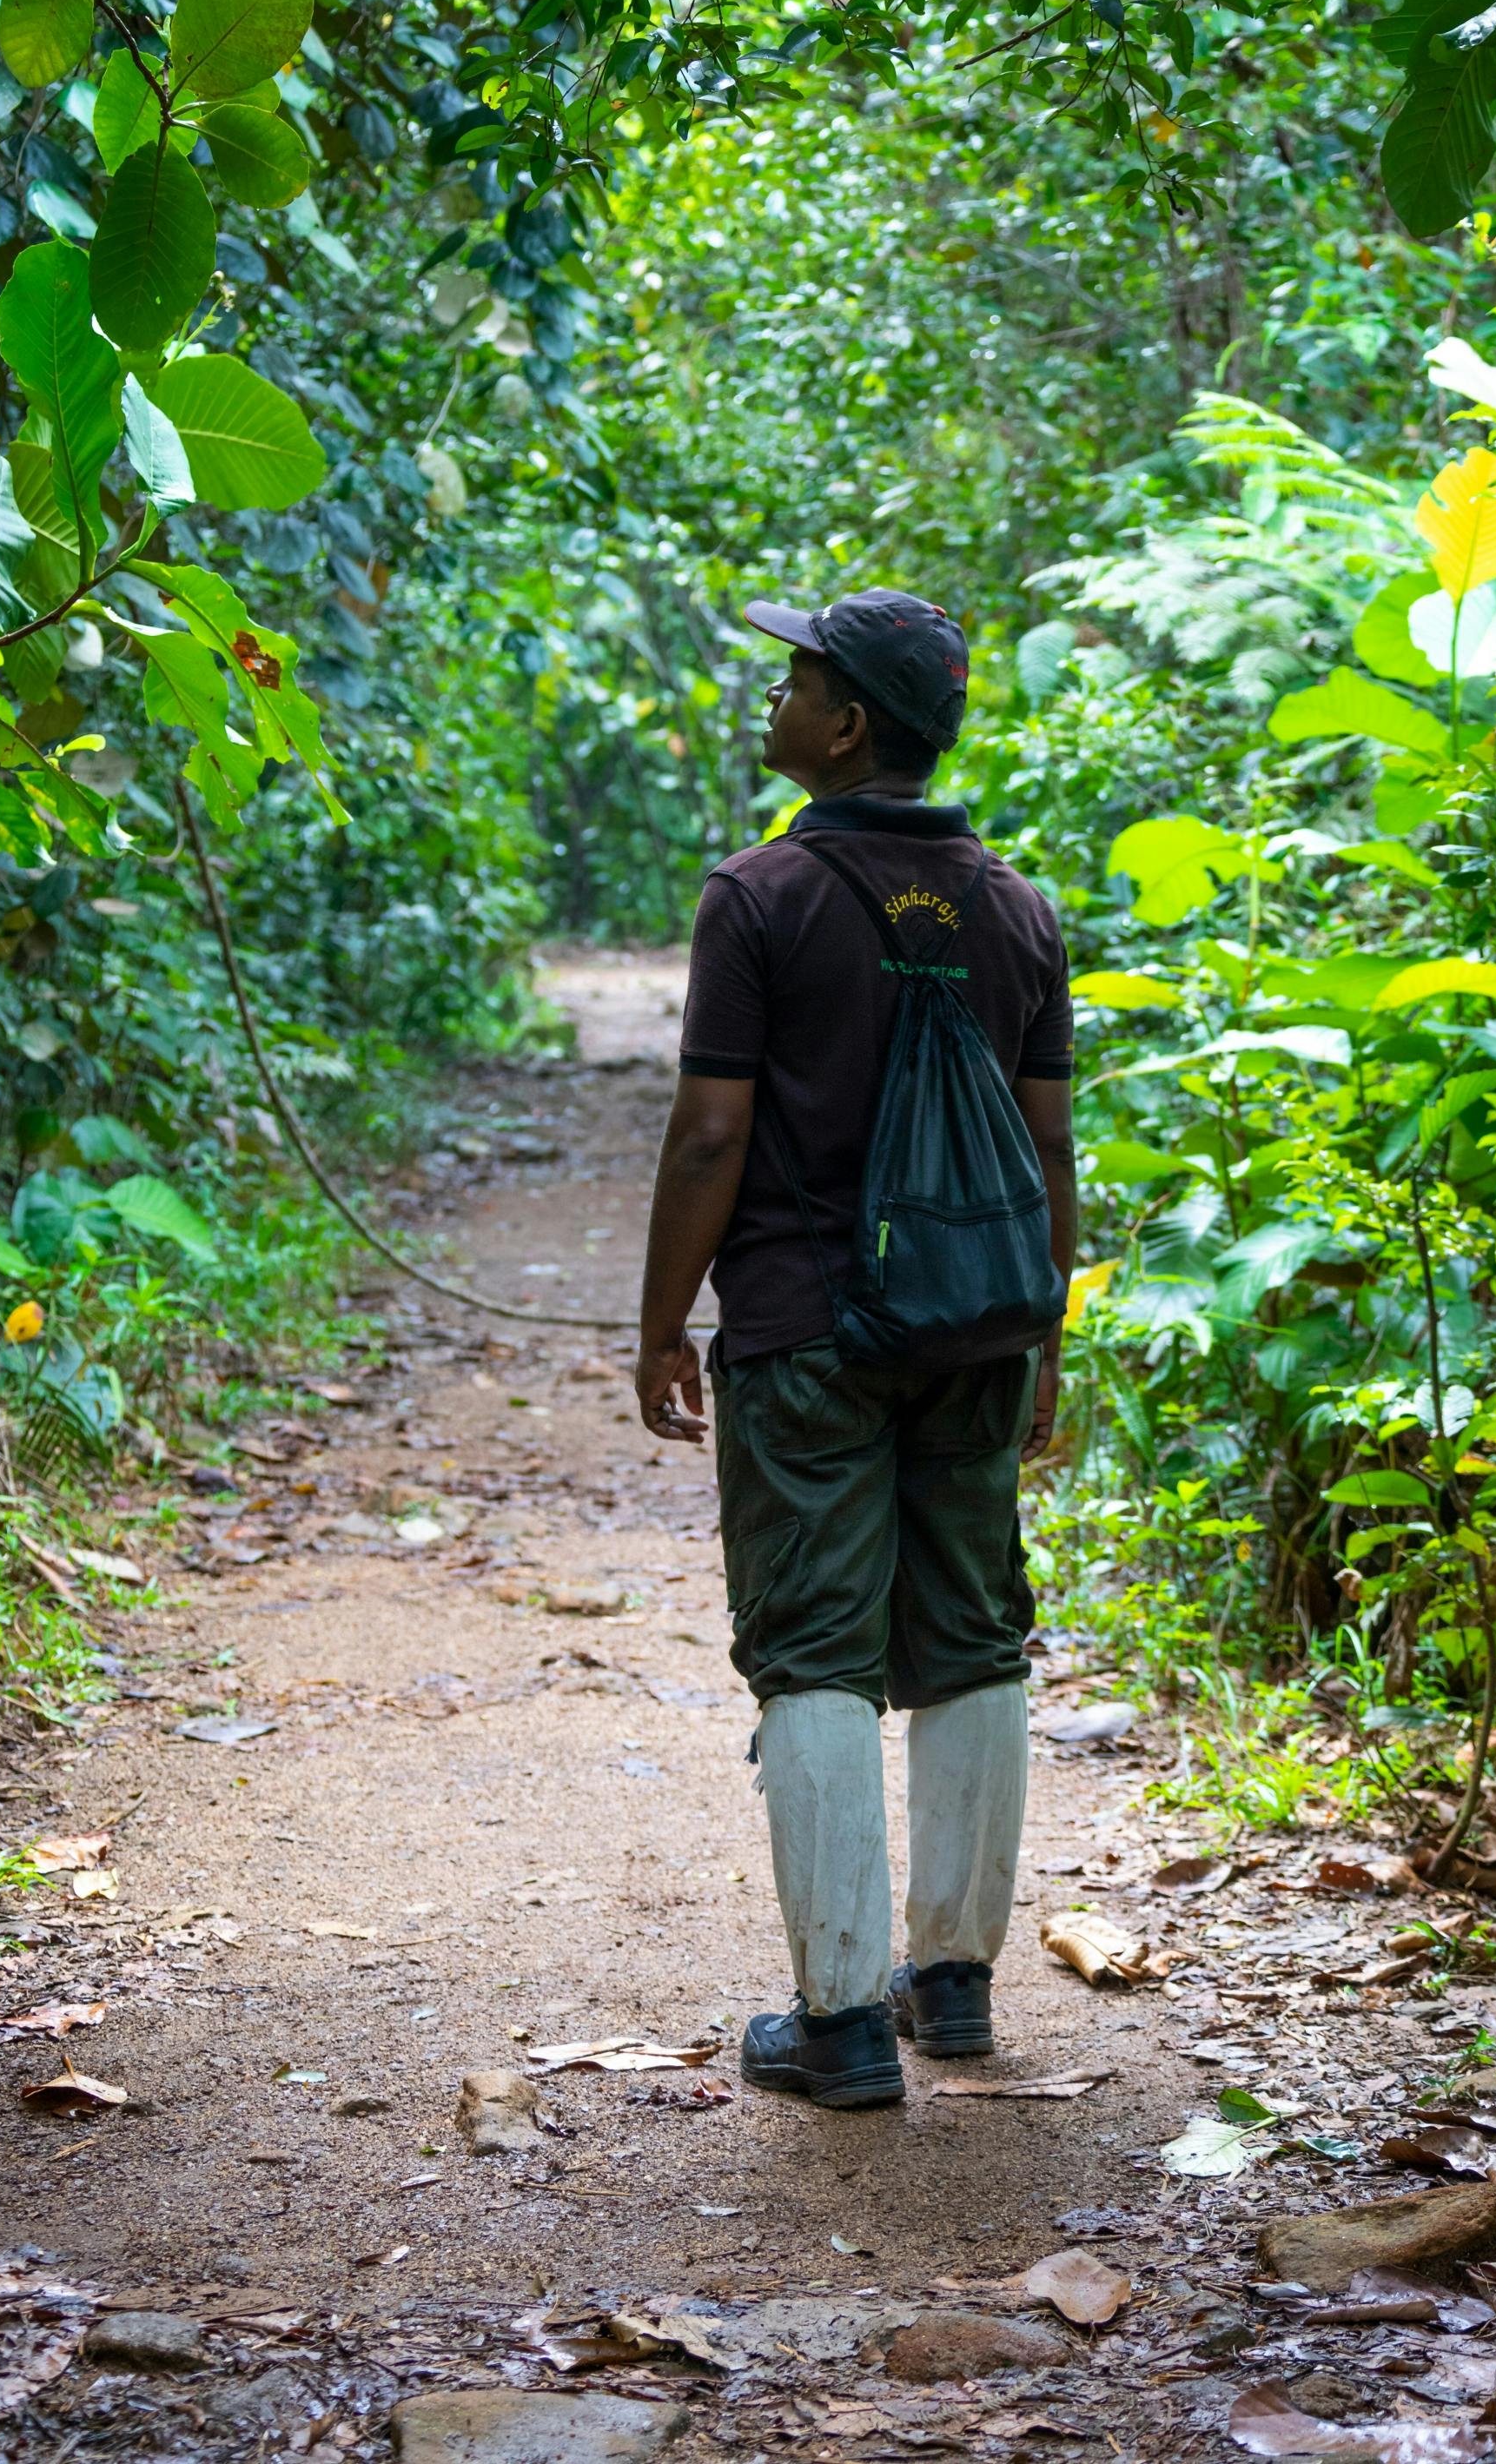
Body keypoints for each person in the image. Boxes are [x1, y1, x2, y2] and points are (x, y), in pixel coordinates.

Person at [635, 587, 1076, 2108]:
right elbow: (1046, 1144)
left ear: (849, 726)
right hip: (981, 1326)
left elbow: (710, 1133)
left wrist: (660, 1327)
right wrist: (1051, 1342)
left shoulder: (758, 897)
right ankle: (952, 1989)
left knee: (813, 1646)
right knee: (971, 1630)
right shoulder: (1017, 908)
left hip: (805, 1328)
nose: (779, 695)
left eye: (800, 677)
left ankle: (838, 2026)